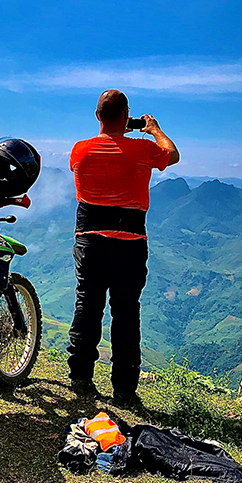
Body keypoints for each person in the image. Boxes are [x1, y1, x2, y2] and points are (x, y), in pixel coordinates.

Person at [67, 89, 179, 407]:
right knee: (127, 314)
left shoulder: (80, 151)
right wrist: (153, 129)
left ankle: (80, 378)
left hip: (89, 241)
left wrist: (118, 131)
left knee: (87, 308)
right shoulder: (142, 149)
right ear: (125, 114)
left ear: (97, 116)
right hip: (130, 244)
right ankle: (125, 390)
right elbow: (172, 154)